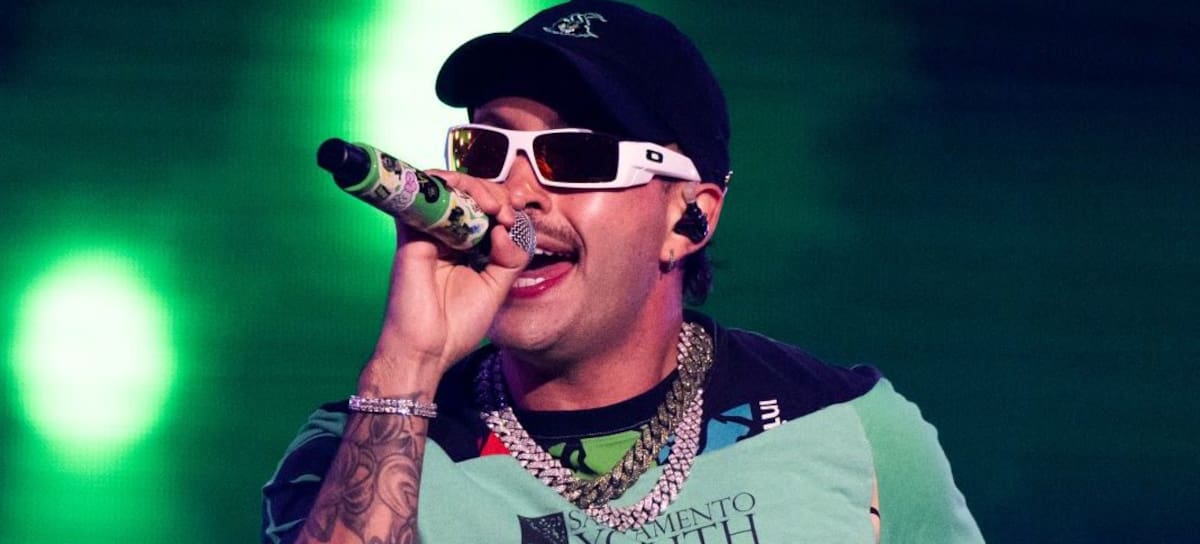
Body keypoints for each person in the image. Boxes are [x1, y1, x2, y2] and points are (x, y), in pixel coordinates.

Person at [262, 1, 983, 542]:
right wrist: (408, 366)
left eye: (574, 157)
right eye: (486, 150)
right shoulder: (350, 449)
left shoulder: (850, 428)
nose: (517, 193)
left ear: (688, 217)